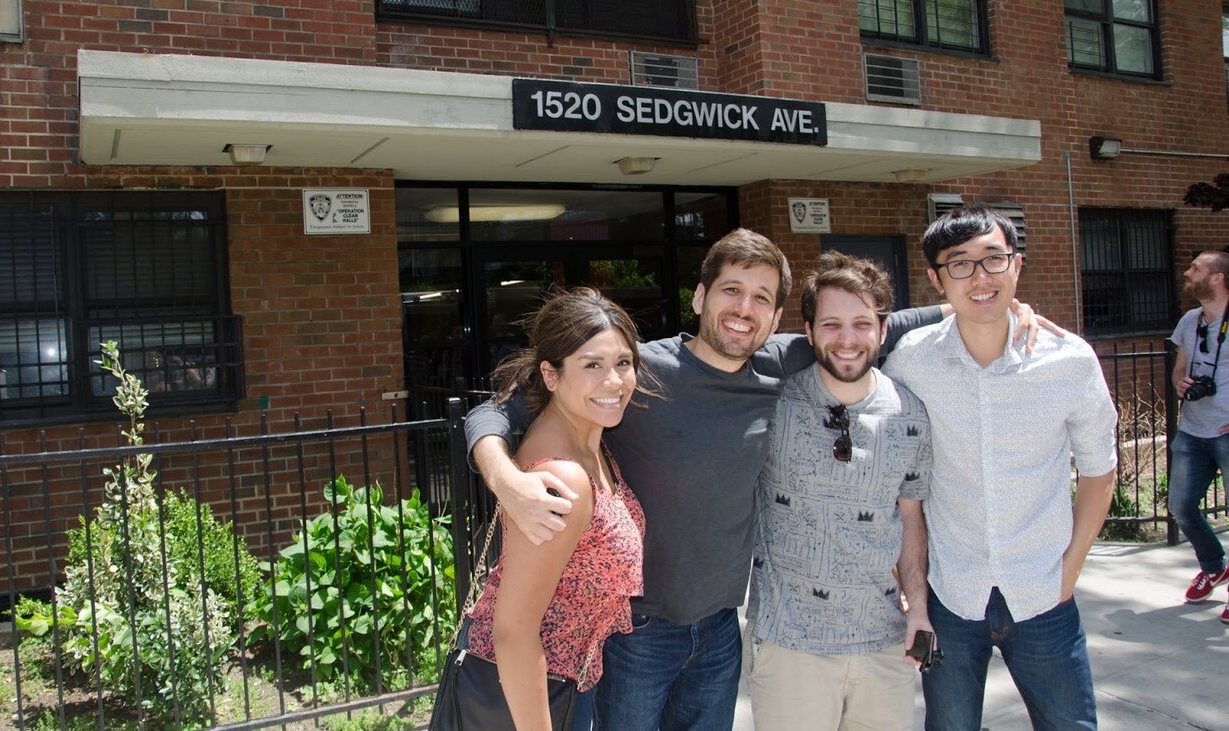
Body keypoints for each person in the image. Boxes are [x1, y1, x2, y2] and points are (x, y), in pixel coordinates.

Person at [466, 228, 1044, 730]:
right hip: (637, 633)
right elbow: (498, 410)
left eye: (762, 299)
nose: (744, 309)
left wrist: (984, 305)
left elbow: (872, 323)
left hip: (720, 631)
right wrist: (505, 478)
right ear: (700, 296)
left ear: (776, 317)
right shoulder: (631, 371)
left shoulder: (783, 361)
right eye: (732, 291)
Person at [882, 204, 1117, 730]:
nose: (980, 277)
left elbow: (1101, 473)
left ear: (1017, 265)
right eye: (959, 264)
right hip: (951, 592)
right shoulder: (911, 362)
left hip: (1043, 593)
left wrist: (1070, 569)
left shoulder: (1069, 360)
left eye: (994, 259)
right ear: (935, 278)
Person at [746, 252, 932, 731]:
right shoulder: (773, 404)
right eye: (831, 324)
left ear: (882, 330)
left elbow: (910, 517)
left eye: (861, 324)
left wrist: (920, 610)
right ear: (807, 332)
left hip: (884, 646)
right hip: (791, 649)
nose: (847, 340)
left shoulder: (911, 414)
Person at [462, 287, 656, 730]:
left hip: (565, 687)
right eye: (592, 365)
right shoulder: (564, 477)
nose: (614, 381)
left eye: (622, 363)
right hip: (527, 698)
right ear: (550, 375)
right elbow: (512, 632)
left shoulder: (592, 446)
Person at [1167, 250, 1229, 617]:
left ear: (1218, 278)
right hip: (1193, 429)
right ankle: (1213, 565)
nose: (1187, 273)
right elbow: (1179, 369)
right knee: (1181, 507)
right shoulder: (1190, 321)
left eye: (1195, 269)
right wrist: (1180, 383)